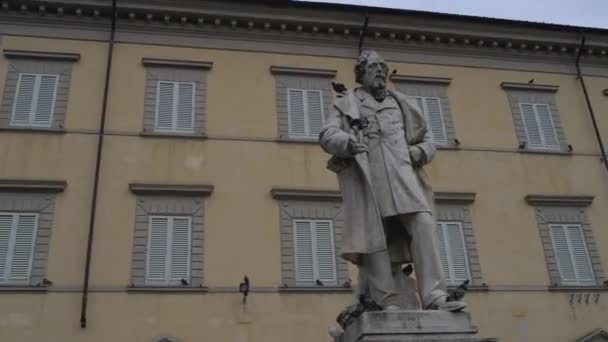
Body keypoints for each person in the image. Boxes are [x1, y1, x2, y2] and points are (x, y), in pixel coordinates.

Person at [319, 50, 466, 312]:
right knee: (375, 237)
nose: (380, 70)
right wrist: (347, 142)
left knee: (423, 225)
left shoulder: (402, 103)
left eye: (383, 67)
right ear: (361, 73)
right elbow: (327, 134)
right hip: (369, 178)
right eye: (374, 66)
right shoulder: (346, 104)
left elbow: (428, 138)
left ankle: (434, 296)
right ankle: (386, 301)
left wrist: (419, 152)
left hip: (404, 178)